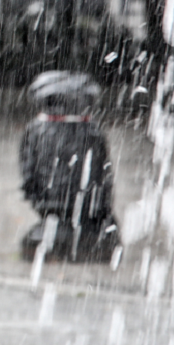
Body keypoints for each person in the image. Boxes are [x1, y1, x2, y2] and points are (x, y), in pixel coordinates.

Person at [18, 71, 118, 262]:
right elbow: (104, 176)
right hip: (91, 216)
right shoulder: (92, 129)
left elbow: (28, 175)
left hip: (53, 212)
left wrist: (42, 198)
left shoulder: (36, 129)